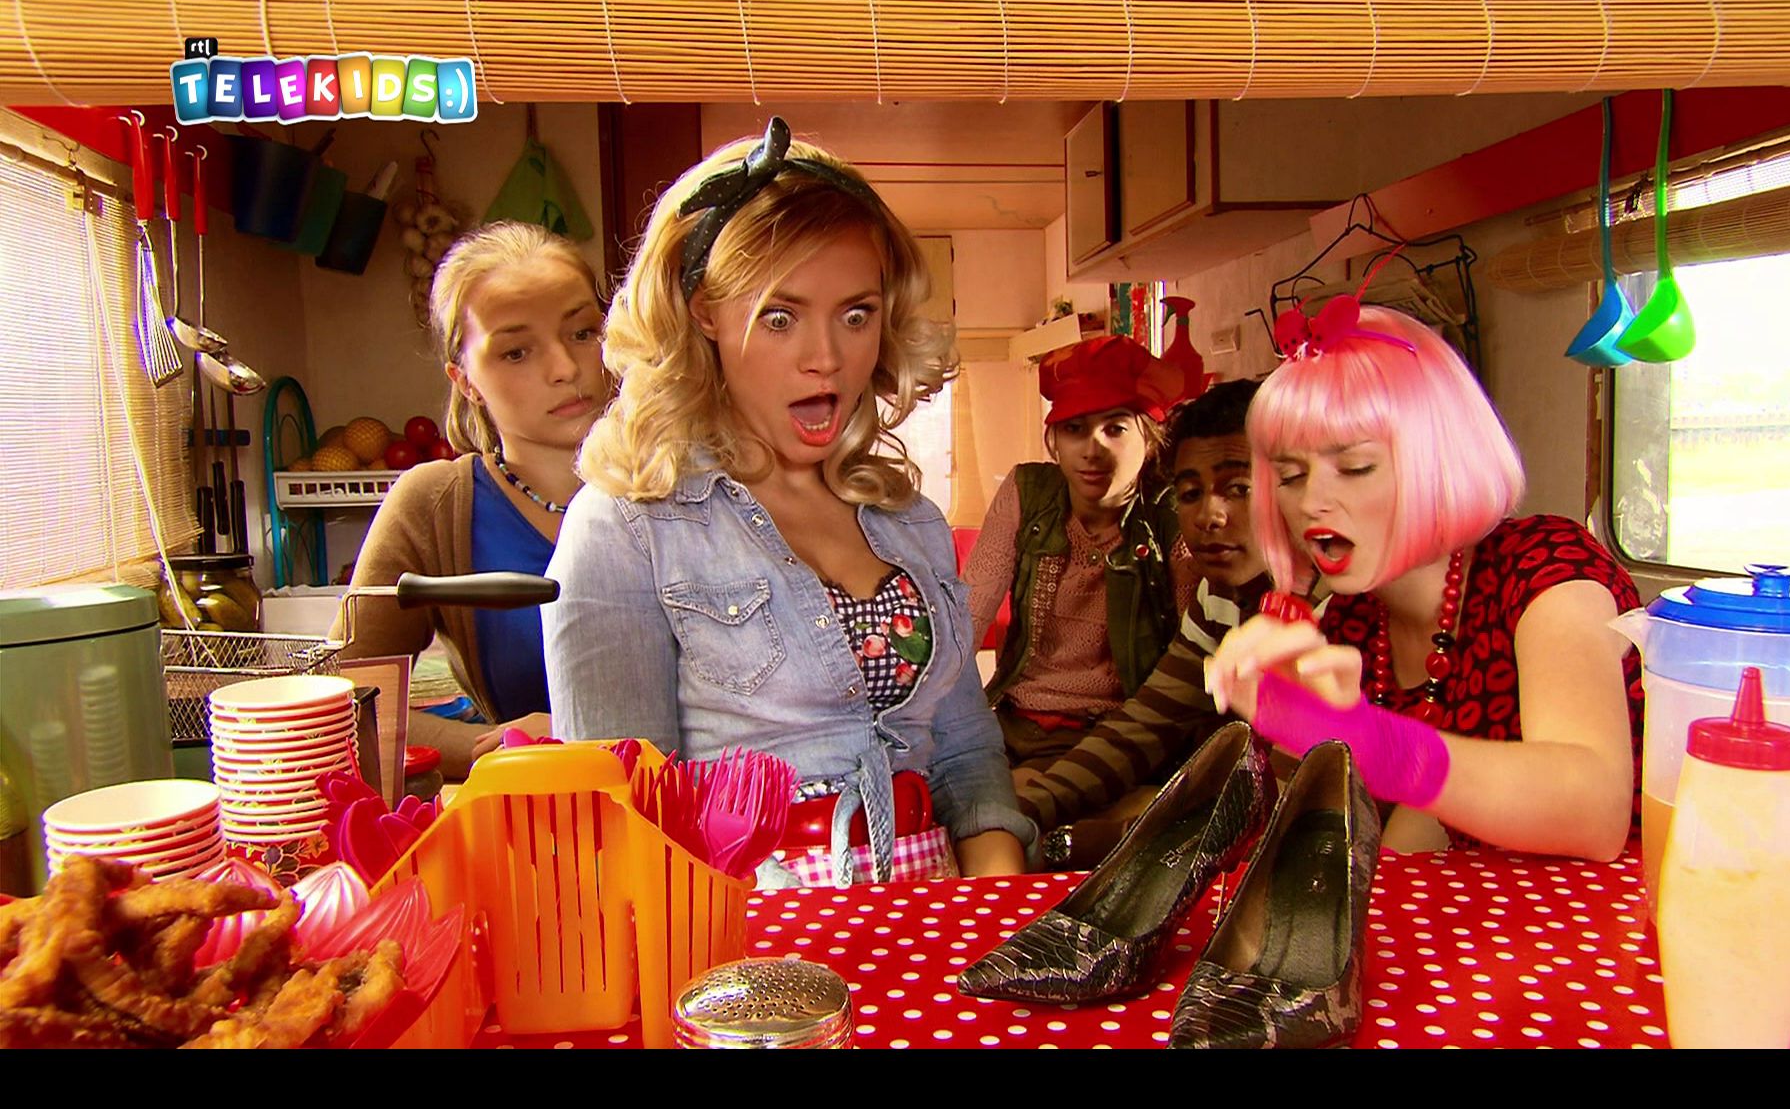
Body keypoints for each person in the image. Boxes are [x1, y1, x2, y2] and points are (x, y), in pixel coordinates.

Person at [543, 117, 1030, 887]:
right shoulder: (627, 526)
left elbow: (967, 755)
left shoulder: (910, 522)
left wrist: (996, 906)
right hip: (750, 933)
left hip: (934, 916)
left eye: (856, 314)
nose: (827, 358)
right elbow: (625, 820)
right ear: (704, 312)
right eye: (780, 316)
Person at [1205, 300, 1644, 861]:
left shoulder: (1547, 571)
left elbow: (1593, 811)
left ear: (1438, 459)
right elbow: (1434, 815)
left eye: (1356, 467)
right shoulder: (1352, 622)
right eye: (1290, 475)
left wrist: (1373, 743)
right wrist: (1292, 732)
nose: (1312, 501)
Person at [333, 221, 611, 779]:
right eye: (516, 352)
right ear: (465, 381)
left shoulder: (692, 483)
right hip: (527, 811)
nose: (565, 368)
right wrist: (502, 747)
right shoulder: (433, 506)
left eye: (583, 332)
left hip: (699, 806)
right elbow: (345, 702)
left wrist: (588, 732)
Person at [1017, 379, 1283, 865]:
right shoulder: (1219, 595)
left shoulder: (1332, 613)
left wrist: (1078, 842)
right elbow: (1148, 721)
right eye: (1191, 493)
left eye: (1239, 489)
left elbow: (1294, 807)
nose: (1210, 516)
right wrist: (1019, 815)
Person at [964, 334, 1198, 785]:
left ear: (1149, 439)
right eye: (1074, 428)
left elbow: (1190, 658)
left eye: (1115, 428)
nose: (1092, 449)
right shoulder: (1027, 494)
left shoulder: (1169, 514)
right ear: (1054, 439)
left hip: (1122, 737)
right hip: (1016, 726)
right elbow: (966, 621)